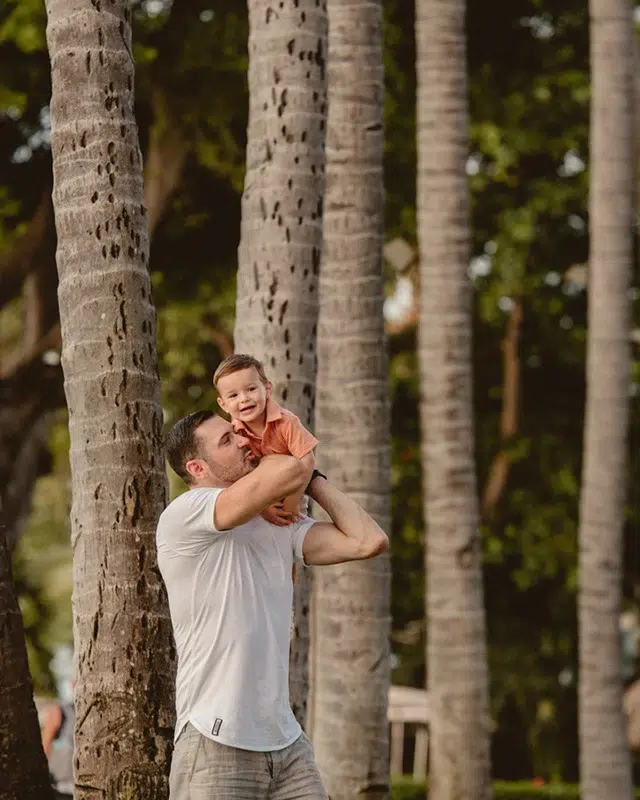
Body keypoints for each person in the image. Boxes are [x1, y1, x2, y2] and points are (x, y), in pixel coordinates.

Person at [158, 409, 388, 800]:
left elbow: (368, 541)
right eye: (227, 441)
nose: (245, 440)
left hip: (286, 744)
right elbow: (285, 469)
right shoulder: (186, 513)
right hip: (215, 740)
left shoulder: (277, 524)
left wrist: (313, 481)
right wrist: (288, 446)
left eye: (238, 433)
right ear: (197, 467)